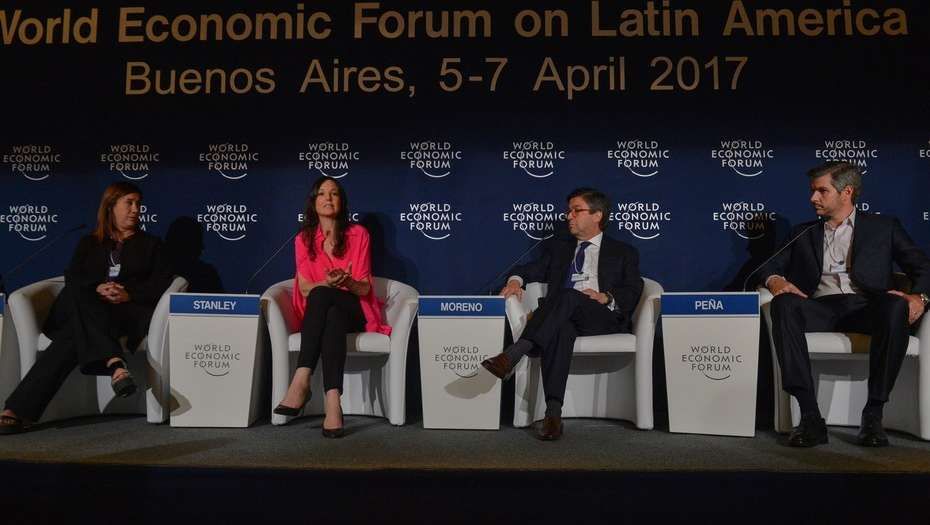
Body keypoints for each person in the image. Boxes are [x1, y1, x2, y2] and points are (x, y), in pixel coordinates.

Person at [761, 161, 930, 447]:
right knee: (783, 305)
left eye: (821, 191)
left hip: (866, 308)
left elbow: (923, 268)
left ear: (846, 192)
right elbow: (768, 267)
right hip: (820, 307)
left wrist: (920, 297)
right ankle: (810, 415)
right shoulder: (803, 233)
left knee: (895, 306)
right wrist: (775, 280)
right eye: (812, 191)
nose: (813, 198)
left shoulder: (883, 227)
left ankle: (873, 414)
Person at [0, 182, 173, 434]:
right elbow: (74, 277)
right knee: (80, 292)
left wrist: (128, 294)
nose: (136, 209)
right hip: (85, 308)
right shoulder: (89, 243)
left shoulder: (152, 245)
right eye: (129, 203)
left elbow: (162, 283)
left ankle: (16, 410)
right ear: (111, 206)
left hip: (122, 314)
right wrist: (98, 288)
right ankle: (114, 362)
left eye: (138, 204)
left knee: (71, 337)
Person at [481, 187, 643, 440]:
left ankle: (514, 353)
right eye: (569, 211)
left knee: (568, 296)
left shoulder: (623, 251)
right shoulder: (560, 249)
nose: (569, 216)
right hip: (564, 316)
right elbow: (527, 270)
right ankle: (553, 415)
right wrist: (514, 281)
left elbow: (634, 288)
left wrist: (606, 296)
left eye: (576, 210)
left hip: (601, 316)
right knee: (561, 329)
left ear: (597, 215)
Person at [273, 176, 390, 438]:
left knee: (325, 298)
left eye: (334, 193)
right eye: (322, 193)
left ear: (342, 202)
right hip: (324, 313)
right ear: (313, 203)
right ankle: (333, 402)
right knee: (329, 309)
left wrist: (347, 281)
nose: (328, 198)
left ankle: (301, 379)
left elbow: (364, 289)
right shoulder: (303, 239)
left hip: (355, 309)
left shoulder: (358, 235)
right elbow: (304, 289)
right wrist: (327, 283)